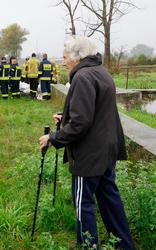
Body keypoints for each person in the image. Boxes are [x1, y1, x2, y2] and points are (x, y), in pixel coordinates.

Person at [39, 37, 135, 250]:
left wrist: (53, 138)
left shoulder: (82, 76)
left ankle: (87, 246)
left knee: (84, 204)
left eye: (65, 57)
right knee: (110, 200)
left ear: (77, 56)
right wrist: (64, 117)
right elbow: (94, 111)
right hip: (107, 150)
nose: (63, 62)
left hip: (89, 155)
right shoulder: (101, 72)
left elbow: (81, 122)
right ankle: (124, 245)